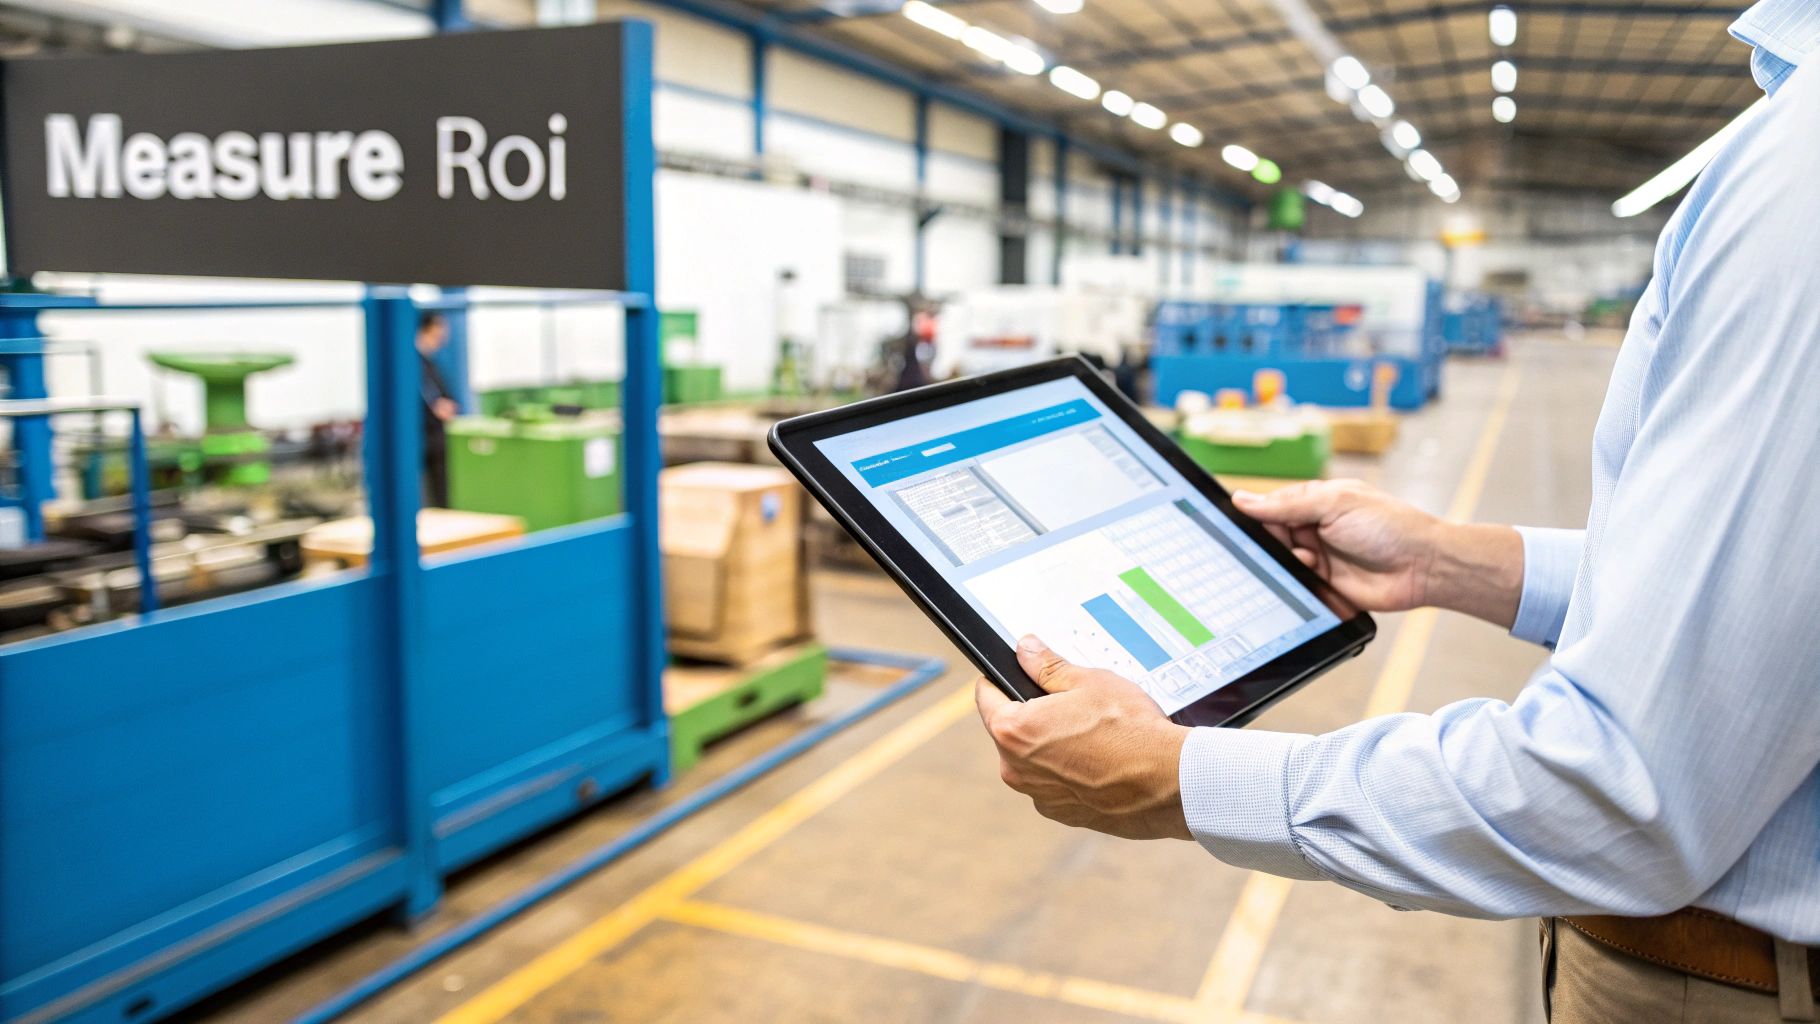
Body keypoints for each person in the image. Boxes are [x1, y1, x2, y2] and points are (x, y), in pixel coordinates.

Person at [974, 3, 1820, 1020]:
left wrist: (1178, 775)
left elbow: (1623, 796)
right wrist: (1449, 559)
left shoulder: (1802, 161)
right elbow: (1760, 603)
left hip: (1736, 980)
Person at [416, 312, 459, 508]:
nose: (444, 333)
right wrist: (438, 406)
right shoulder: (413, 363)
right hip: (424, 438)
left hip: (437, 437)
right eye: (440, 327)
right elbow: (434, 403)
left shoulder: (431, 363)